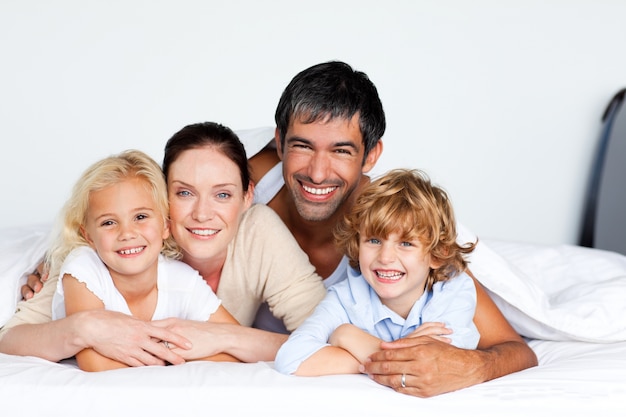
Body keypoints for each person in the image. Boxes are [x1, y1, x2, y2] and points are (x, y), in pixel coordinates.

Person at [247, 60, 538, 396]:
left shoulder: (387, 224)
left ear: (371, 155)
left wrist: (464, 365)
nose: (317, 172)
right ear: (280, 143)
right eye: (302, 146)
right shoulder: (238, 187)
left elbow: (513, 349)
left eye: (341, 150)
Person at [0, 122, 326, 366]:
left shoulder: (256, 233)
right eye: (184, 192)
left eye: (222, 194)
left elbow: (321, 334)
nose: (202, 214)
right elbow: (12, 337)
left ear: (246, 197)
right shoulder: (98, 254)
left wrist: (224, 336)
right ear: (161, 196)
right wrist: (83, 327)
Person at [275, 169, 480, 379]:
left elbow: (440, 366)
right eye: (374, 241)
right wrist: (392, 356)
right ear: (357, 244)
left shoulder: (453, 291)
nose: (385, 257)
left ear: (436, 255)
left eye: (406, 243)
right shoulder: (345, 298)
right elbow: (289, 359)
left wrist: (348, 337)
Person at [46, 149, 239, 371]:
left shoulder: (182, 280)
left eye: (140, 217)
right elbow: (95, 364)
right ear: (89, 236)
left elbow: (234, 343)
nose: (127, 233)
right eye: (108, 222)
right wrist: (170, 354)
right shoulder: (84, 267)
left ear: (165, 225)